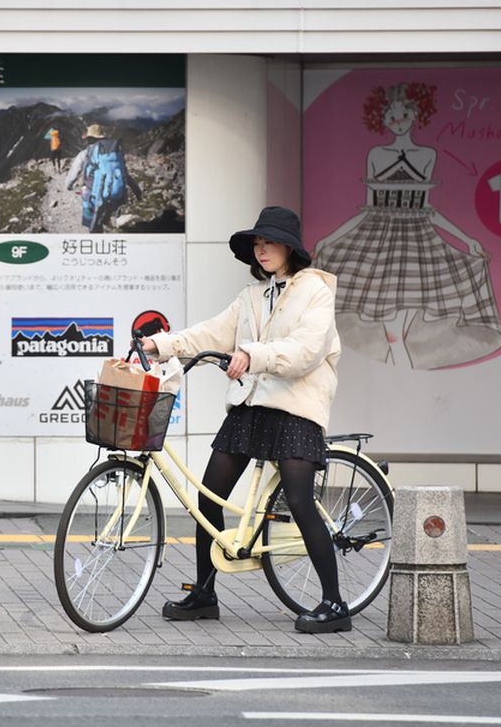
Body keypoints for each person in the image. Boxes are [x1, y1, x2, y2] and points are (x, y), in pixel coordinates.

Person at [141, 206, 348, 633]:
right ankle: (204, 593)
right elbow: (210, 332)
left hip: (296, 407)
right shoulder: (252, 296)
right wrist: (160, 345)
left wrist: (253, 354)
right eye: (257, 242)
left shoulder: (316, 291)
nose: (261, 249)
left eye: (269, 241)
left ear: (290, 247)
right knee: (209, 498)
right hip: (251, 405)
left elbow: (306, 349)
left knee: (298, 499)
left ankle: (334, 604)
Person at [313, 82, 501, 369]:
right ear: (383, 119)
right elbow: (367, 209)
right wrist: (329, 238)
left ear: (416, 116)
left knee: (397, 333)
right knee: (393, 334)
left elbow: (428, 211)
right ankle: (403, 385)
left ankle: (400, 385)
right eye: (391, 116)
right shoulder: (376, 154)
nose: (397, 122)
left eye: (404, 115)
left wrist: (467, 240)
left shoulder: (427, 155)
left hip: (417, 248)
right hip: (378, 245)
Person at [65, 124, 143, 233]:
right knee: (107, 213)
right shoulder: (115, 153)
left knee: (93, 221)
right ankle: (108, 224)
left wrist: (68, 186)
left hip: (93, 195)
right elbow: (125, 174)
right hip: (116, 195)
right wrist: (138, 192)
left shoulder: (85, 154)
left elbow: (74, 174)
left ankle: (97, 235)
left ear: (90, 139)